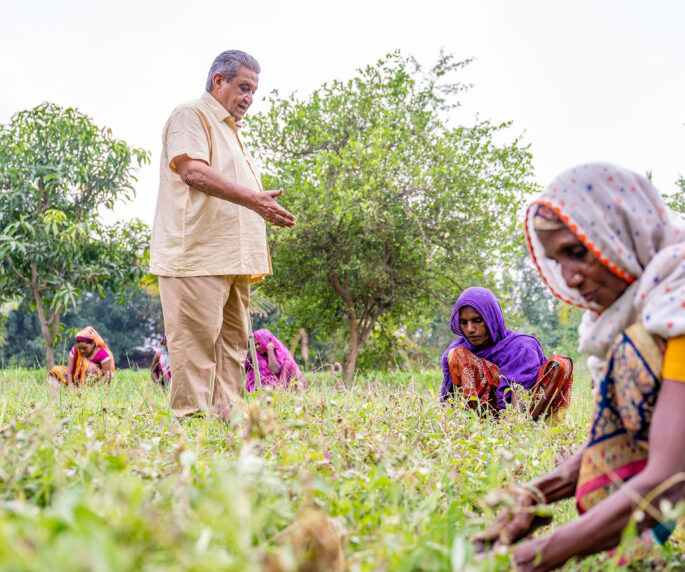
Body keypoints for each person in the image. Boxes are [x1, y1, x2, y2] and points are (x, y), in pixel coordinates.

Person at [475, 163, 685, 570]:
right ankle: (632, 545)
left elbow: (672, 470)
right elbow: (624, 435)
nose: (569, 278)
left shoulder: (678, 301)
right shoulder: (632, 319)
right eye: (558, 260)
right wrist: (533, 496)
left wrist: (534, 557)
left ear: (620, 233)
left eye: (577, 252)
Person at [149, 50, 296, 418]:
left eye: (253, 92)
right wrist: (255, 200)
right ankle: (191, 427)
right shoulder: (191, 114)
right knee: (194, 348)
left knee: (232, 346)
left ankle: (225, 420)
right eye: (243, 87)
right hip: (196, 256)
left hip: (234, 260)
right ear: (218, 80)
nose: (249, 98)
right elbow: (193, 172)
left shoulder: (231, 131)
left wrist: (259, 207)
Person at [441, 287, 573, 419]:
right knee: (457, 354)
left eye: (477, 320)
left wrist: (514, 425)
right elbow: (448, 398)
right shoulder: (459, 350)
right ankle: (474, 423)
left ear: (491, 318)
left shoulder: (521, 346)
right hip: (482, 418)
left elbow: (519, 389)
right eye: (464, 322)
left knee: (561, 363)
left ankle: (547, 426)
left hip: (528, 414)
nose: (470, 329)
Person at [48, 326, 114, 385]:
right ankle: (55, 397)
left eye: (85, 348)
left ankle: (85, 393)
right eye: (79, 348)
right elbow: (69, 372)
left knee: (87, 367)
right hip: (75, 381)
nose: (81, 351)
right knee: (55, 371)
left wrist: (98, 386)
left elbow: (107, 375)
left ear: (93, 344)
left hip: (94, 384)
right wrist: (71, 386)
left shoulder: (103, 354)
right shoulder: (75, 350)